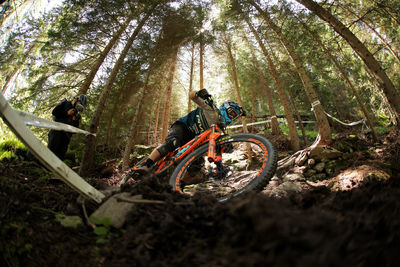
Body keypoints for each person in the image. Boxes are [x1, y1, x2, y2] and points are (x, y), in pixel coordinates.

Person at [136, 89, 245, 173]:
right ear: (225, 108)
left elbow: (209, 149)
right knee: (173, 143)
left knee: (197, 166)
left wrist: (223, 148)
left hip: (191, 142)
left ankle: (178, 186)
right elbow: (191, 95)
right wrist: (199, 93)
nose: (231, 117)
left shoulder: (219, 130)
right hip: (183, 127)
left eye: (234, 117)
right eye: (231, 113)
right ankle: (146, 164)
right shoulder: (210, 108)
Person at [47, 94, 87, 160]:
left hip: (66, 137)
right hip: (56, 132)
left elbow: (75, 130)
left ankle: (51, 170)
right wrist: (67, 113)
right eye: (80, 104)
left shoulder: (76, 114)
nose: (79, 107)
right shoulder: (65, 103)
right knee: (51, 151)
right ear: (77, 100)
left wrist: (74, 120)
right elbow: (54, 112)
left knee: (60, 157)